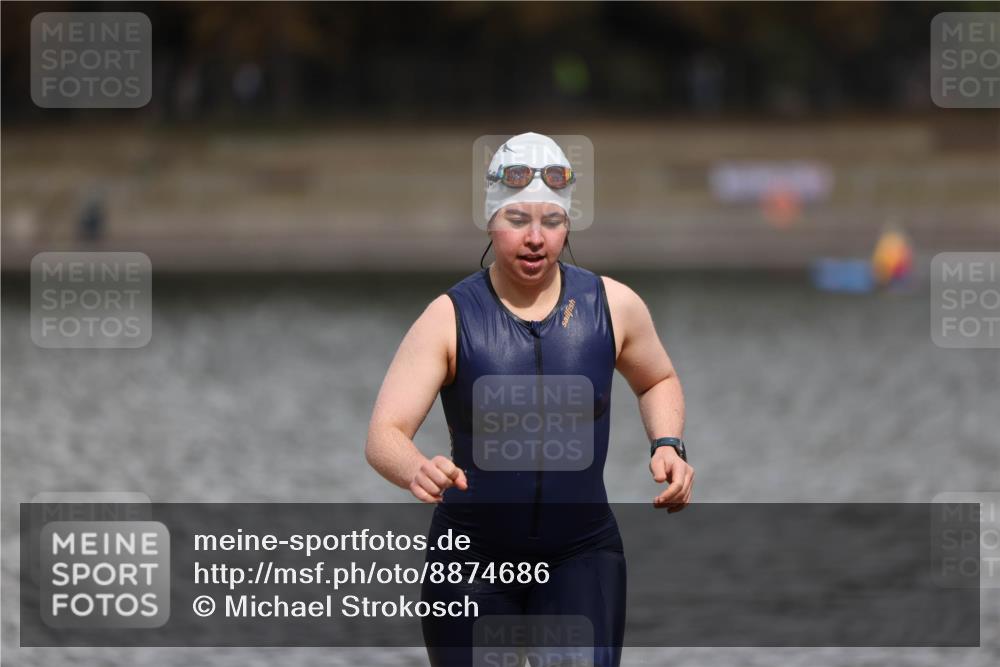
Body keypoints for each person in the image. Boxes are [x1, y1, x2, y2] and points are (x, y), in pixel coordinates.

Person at [366, 132, 693, 667]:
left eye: (553, 221)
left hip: (582, 555)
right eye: (517, 220)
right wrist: (414, 468)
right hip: (470, 561)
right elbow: (384, 434)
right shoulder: (448, 318)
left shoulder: (613, 306)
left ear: (568, 224)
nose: (536, 238)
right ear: (490, 221)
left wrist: (668, 443)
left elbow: (657, 379)